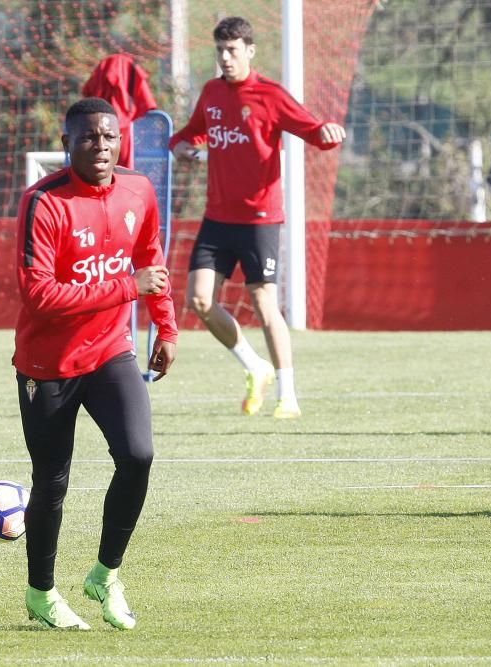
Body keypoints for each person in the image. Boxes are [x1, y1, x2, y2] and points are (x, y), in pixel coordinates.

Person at [14, 97, 178, 630]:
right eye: (89, 138)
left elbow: (151, 254)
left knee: (139, 455)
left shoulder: (138, 189)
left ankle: (105, 573)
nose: (101, 146)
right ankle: (41, 594)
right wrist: (126, 288)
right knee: (52, 481)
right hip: (49, 365)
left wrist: (166, 325)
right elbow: (39, 295)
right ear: (67, 144)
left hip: (111, 352)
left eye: (109, 137)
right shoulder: (43, 202)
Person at [169, 16, 345, 419]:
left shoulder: (269, 94)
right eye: (220, 50)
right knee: (198, 300)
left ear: (250, 51)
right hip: (217, 216)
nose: (225, 58)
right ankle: (255, 366)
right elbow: (191, 132)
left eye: (232, 50)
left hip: (260, 218)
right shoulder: (212, 93)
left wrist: (328, 132)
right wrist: (178, 145)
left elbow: (311, 129)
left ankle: (288, 394)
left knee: (264, 301)